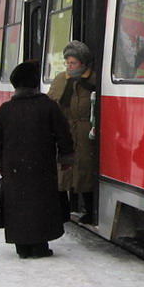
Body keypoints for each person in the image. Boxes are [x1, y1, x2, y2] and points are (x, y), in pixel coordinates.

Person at [0, 60, 74, 259]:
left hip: (14, 167)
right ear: (35, 84)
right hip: (41, 166)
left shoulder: (6, 109)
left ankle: (22, 247)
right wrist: (66, 156)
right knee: (40, 204)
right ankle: (39, 246)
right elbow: (63, 133)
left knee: (18, 205)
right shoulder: (48, 106)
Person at [47, 41, 98, 225]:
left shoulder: (93, 81)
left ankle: (89, 210)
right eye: (67, 63)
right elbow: (51, 103)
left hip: (85, 132)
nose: (69, 67)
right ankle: (62, 211)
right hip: (65, 130)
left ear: (83, 64)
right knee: (63, 172)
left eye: (73, 63)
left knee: (84, 172)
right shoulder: (61, 79)